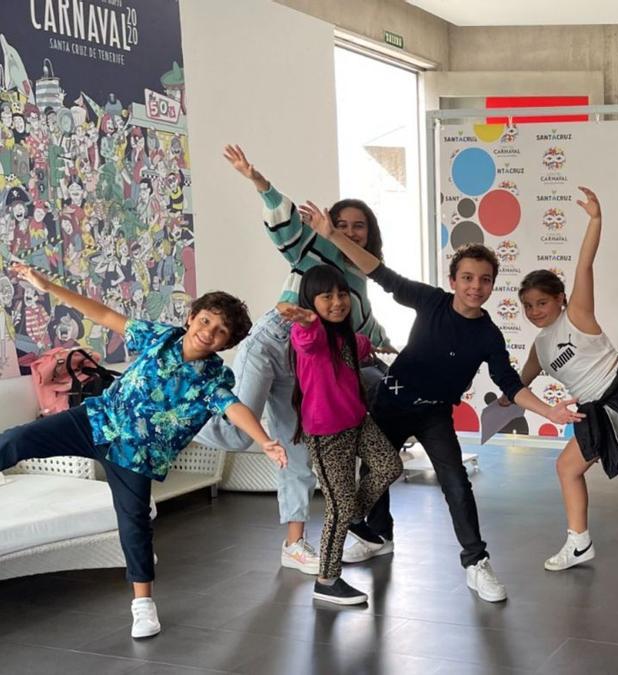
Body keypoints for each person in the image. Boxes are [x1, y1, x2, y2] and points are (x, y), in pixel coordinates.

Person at [302, 203, 582, 603]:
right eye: (467, 278)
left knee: (455, 482)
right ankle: (379, 535)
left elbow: (509, 382)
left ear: (491, 287)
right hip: (391, 401)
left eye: (484, 280)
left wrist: (549, 412)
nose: (475, 286)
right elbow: (379, 272)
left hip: (434, 413)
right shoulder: (430, 300)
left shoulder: (487, 333)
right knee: (377, 471)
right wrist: (332, 235)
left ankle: (475, 562)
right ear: (453, 280)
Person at [0, 261, 285, 639]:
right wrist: (48, 285)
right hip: (95, 420)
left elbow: (233, 407)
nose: (209, 333)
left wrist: (264, 440)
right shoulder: (158, 337)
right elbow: (101, 313)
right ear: (191, 317)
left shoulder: (215, 376)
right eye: (205, 322)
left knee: (134, 521)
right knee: (16, 439)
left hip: (135, 454)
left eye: (220, 332)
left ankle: (143, 604)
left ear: (227, 343)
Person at [193, 145, 394, 576]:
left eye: (359, 227)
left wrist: (393, 345)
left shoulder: (359, 278)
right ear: (326, 225)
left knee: (295, 455)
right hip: (271, 345)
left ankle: (294, 545)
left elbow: (365, 325)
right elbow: (286, 229)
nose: (351, 232)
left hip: (304, 367)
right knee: (239, 436)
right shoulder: (311, 253)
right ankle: (180, 415)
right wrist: (258, 180)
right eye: (342, 224)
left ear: (370, 233)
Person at [515, 187, 618, 577]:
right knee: (567, 467)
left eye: (542, 302)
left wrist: (596, 220)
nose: (535, 311)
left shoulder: (577, 315)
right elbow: (518, 382)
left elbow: (584, 265)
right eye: (528, 306)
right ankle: (578, 542)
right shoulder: (539, 346)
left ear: (561, 299)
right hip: (593, 408)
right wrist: (504, 400)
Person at [286, 264, 404, 605]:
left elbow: (362, 344)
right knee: (336, 508)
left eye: (341, 294)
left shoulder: (346, 336)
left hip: (358, 422)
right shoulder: (311, 335)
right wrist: (306, 322)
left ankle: (353, 513)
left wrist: (381, 346)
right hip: (327, 433)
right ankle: (327, 579)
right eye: (326, 297)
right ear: (311, 301)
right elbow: (308, 340)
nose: (337, 302)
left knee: (388, 466)